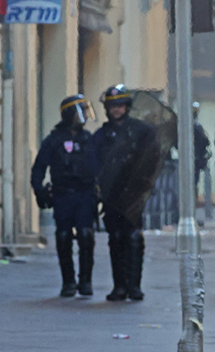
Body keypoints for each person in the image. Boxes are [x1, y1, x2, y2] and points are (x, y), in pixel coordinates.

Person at [93, 84, 162, 302]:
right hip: (111, 194)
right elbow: (93, 162)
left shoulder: (142, 131)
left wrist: (144, 182)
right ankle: (119, 286)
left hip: (133, 193)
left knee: (133, 237)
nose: (116, 109)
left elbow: (154, 156)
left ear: (127, 106)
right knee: (115, 239)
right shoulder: (101, 135)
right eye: (112, 106)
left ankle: (134, 286)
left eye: (119, 105)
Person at [32, 94, 99, 297]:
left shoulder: (89, 140)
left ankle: (85, 281)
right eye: (82, 112)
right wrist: (40, 191)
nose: (85, 116)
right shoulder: (54, 140)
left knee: (86, 235)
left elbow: (101, 167)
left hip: (85, 193)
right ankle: (68, 281)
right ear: (71, 114)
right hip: (62, 194)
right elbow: (39, 169)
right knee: (63, 236)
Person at [192, 102, 215, 225]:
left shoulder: (193, 127)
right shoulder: (194, 127)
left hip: (195, 161)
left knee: (192, 188)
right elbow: (205, 142)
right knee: (191, 189)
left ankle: (191, 215)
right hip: (194, 162)